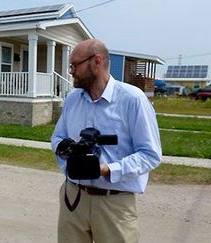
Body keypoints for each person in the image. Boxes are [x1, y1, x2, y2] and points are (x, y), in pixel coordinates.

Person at [51, 39, 162, 243]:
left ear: (97, 61)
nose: (71, 71)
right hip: (73, 199)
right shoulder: (72, 99)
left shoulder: (133, 100)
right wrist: (63, 148)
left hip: (114, 203)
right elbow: (57, 137)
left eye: (75, 65)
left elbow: (150, 155)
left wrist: (108, 169)